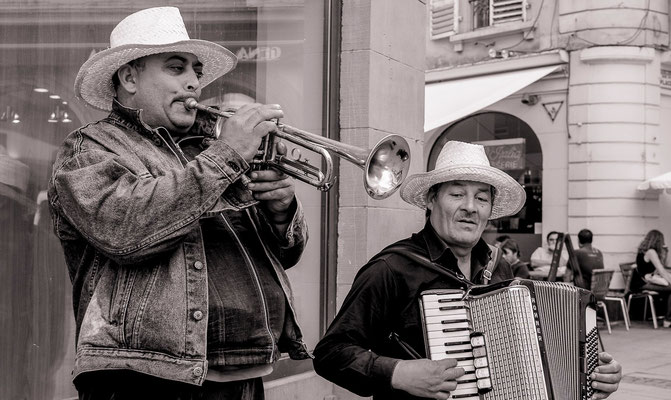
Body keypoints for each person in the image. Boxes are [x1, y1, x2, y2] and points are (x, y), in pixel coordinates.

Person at [47, 7, 309, 399]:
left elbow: (283, 255)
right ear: (129, 77)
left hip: (242, 372)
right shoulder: (89, 149)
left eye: (196, 72)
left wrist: (281, 210)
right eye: (176, 68)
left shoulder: (207, 153)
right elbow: (126, 231)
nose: (194, 84)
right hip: (146, 378)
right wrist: (226, 156)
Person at [312, 141, 622, 400]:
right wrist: (398, 373)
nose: (470, 207)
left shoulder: (499, 266)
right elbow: (331, 354)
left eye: (481, 198)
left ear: (490, 210)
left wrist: (589, 376)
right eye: (457, 194)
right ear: (432, 200)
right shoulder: (392, 268)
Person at [630, 229, 671, 328]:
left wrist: (665, 254)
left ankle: (668, 319)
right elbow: (661, 270)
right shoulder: (651, 252)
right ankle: (668, 319)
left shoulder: (643, 251)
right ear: (658, 241)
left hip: (640, 281)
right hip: (641, 284)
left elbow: (660, 269)